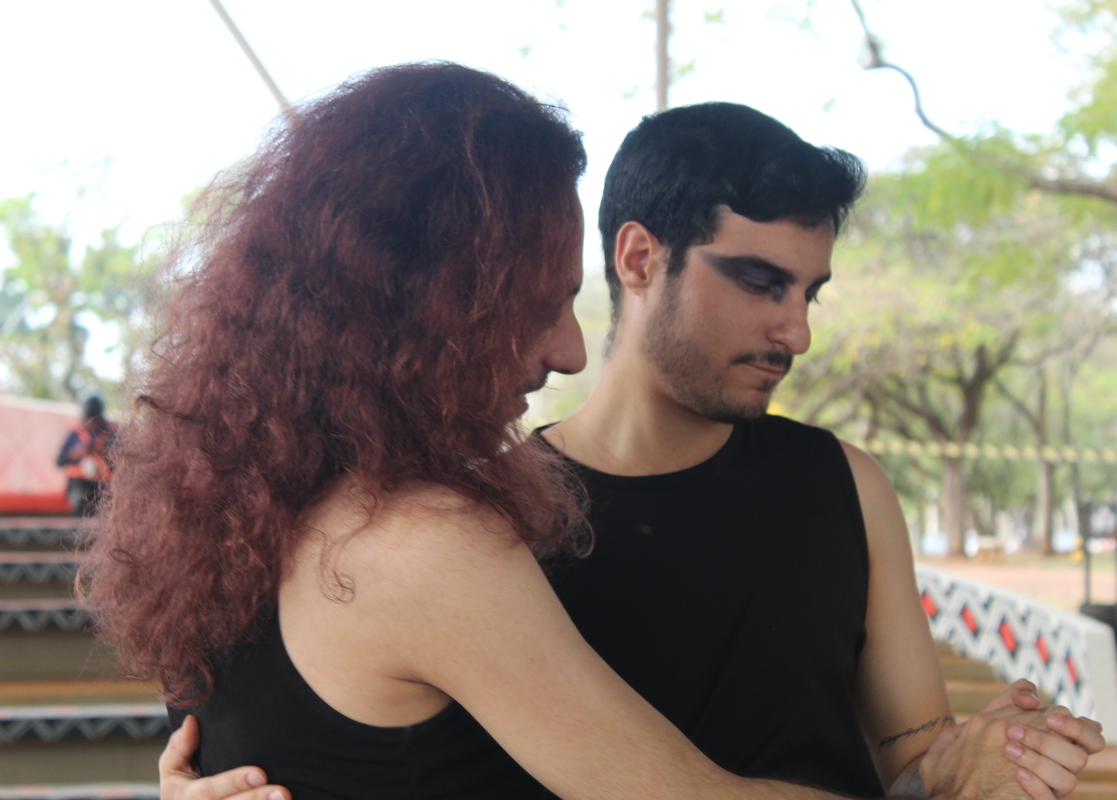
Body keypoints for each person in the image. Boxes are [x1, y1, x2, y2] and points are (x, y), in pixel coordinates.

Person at [88, 65, 1100, 800]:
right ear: (640, 258)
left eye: (811, 292)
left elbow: (918, 745)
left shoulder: (271, 505)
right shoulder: (452, 533)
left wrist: (979, 760)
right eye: (759, 282)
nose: (796, 330)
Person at [56, 393, 116, 516]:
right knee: (80, 503)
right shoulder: (76, 433)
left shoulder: (112, 432)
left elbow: (123, 462)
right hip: (79, 482)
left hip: (104, 484)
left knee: (108, 507)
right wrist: (80, 452)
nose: (91, 423)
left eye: (94, 419)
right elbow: (60, 460)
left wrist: (101, 452)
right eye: (88, 419)